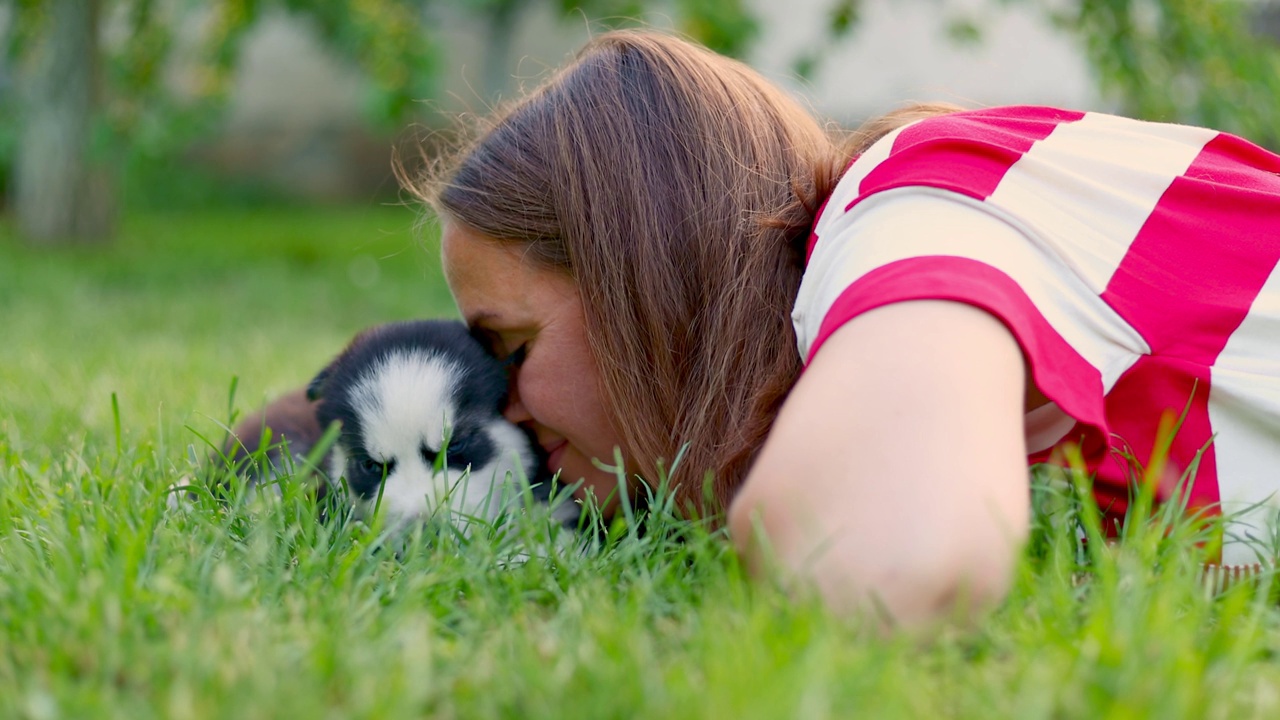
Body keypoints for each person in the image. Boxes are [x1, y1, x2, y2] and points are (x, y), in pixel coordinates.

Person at [407, 29, 1280, 628]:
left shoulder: (917, 201)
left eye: (513, 350)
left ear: (635, 282)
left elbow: (887, 559)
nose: (503, 409)